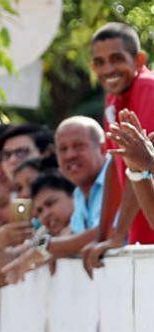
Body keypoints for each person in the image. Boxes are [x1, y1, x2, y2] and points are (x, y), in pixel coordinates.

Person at [82, 22, 154, 272]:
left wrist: (117, 234)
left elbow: (139, 162)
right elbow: (115, 164)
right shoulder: (112, 97)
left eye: (116, 59)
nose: (108, 69)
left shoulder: (149, 88)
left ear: (139, 59)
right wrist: (103, 236)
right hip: (139, 235)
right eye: (99, 62)